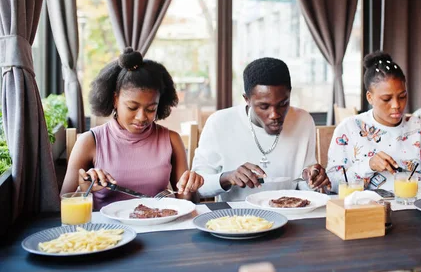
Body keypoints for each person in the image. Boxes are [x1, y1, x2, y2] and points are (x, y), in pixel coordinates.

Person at [61, 48, 204, 209]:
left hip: (157, 226)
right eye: (132, 107)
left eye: (151, 109)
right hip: (107, 231)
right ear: (115, 99)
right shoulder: (90, 141)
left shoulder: (171, 140)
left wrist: (190, 187)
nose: (142, 117)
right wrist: (85, 189)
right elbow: (63, 203)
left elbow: (183, 202)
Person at [192, 57, 330, 202]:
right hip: (235, 219)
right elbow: (198, 187)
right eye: (264, 106)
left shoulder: (303, 120)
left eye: (283, 104)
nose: (275, 114)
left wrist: (312, 179)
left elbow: (305, 184)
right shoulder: (219, 123)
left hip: (288, 213)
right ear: (247, 99)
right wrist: (227, 177)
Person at [326, 51, 421, 193]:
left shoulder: (419, 128)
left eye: (402, 96)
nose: (396, 105)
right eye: (386, 99)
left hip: (415, 206)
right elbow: (332, 184)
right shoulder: (348, 129)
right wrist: (368, 165)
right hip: (367, 210)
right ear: (370, 97)